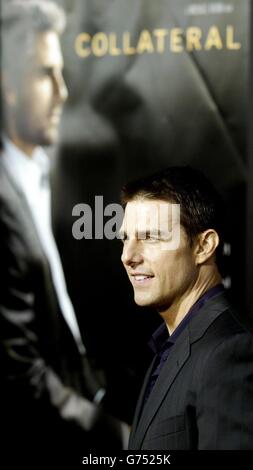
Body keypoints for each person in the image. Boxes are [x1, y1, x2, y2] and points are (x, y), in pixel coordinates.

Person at [0, 0, 128, 460]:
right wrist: (118, 440)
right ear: (8, 86)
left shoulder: (37, 172)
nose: (63, 91)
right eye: (46, 74)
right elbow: (17, 375)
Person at [119, 165, 253, 450]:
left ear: (204, 246)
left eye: (150, 237)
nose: (128, 256)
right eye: (125, 238)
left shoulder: (228, 352)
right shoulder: (170, 345)